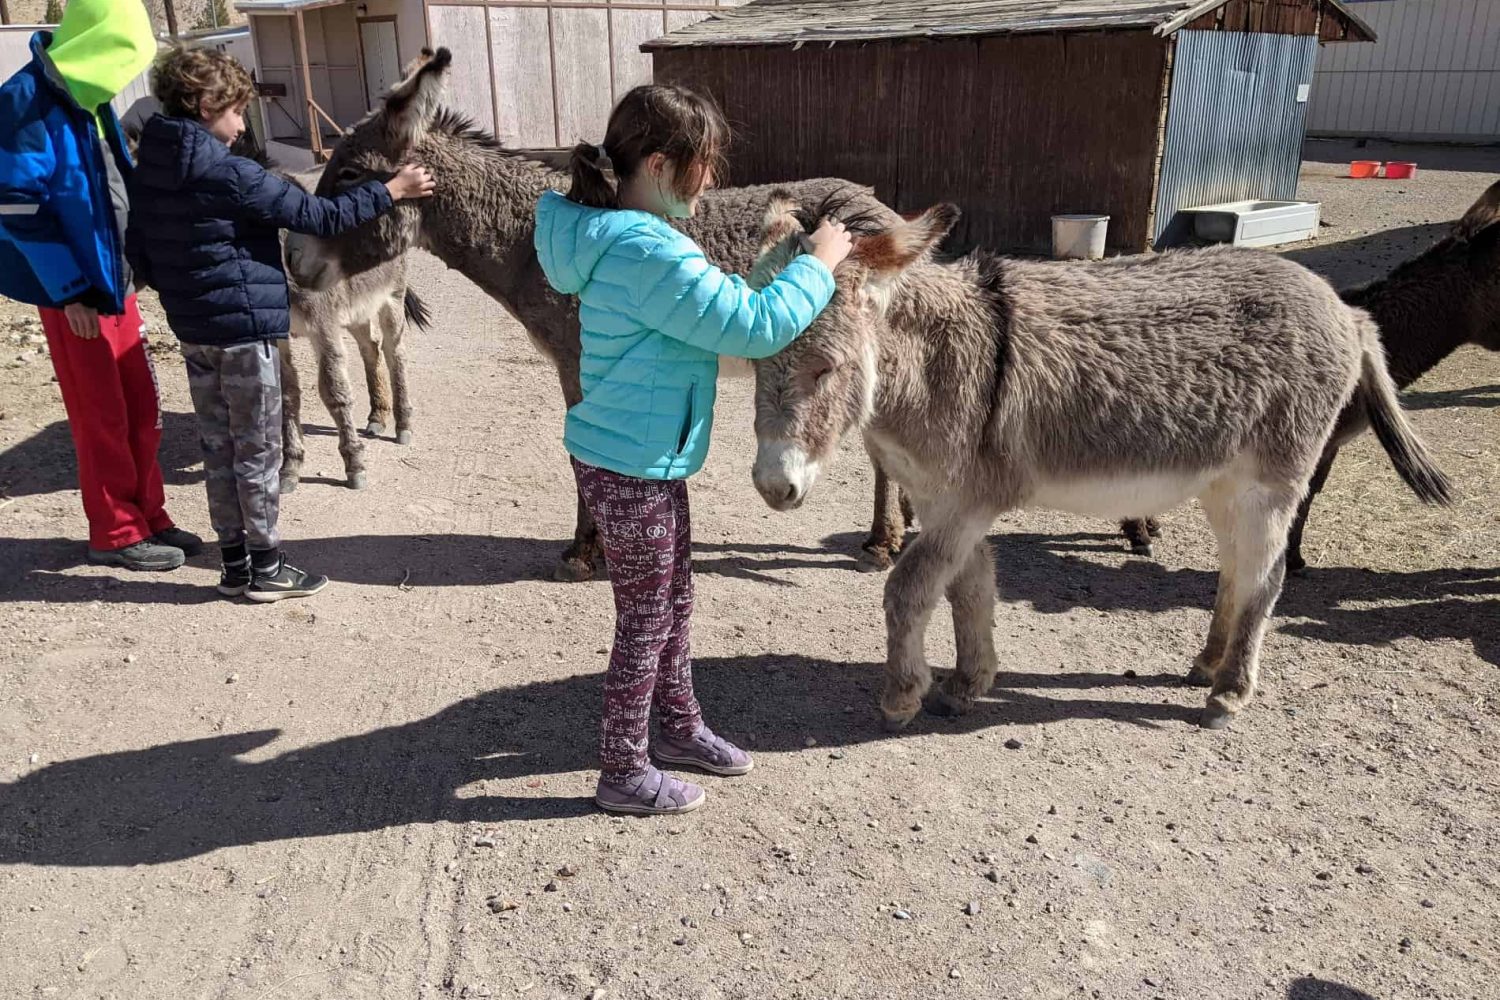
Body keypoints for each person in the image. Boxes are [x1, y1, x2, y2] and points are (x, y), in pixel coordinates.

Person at [533, 84, 853, 815]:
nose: (710, 181)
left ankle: (678, 730)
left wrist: (784, 264)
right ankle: (623, 770)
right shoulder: (647, 251)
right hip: (631, 464)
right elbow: (755, 329)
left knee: (673, 600)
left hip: (641, 454)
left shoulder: (624, 236)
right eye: (703, 165)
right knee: (646, 618)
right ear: (657, 162)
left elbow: (719, 303)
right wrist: (822, 264)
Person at [127, 46, 434, 602]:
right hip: (245, 334)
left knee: (218, 449)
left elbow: (141, 256)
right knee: (258, 449)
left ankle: (234, 565)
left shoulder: (148, 172)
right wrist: (391, 189)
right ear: (204, 105)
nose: (242, 124)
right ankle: (267, 567)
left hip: (194, 333)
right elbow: (322, 216)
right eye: (237, 110)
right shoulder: (230, 173)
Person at [0, 0, 202, 571]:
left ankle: (149, 515)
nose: (125, 72)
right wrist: (69, 292)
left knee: (142, 406)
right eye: (124, 57)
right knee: (101, 414)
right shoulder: (25, 102)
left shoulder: (89, 97)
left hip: (116, 278)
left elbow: (114, 182)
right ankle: (115, 531)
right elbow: (15, 207)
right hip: (77, 295)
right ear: (96, 45)